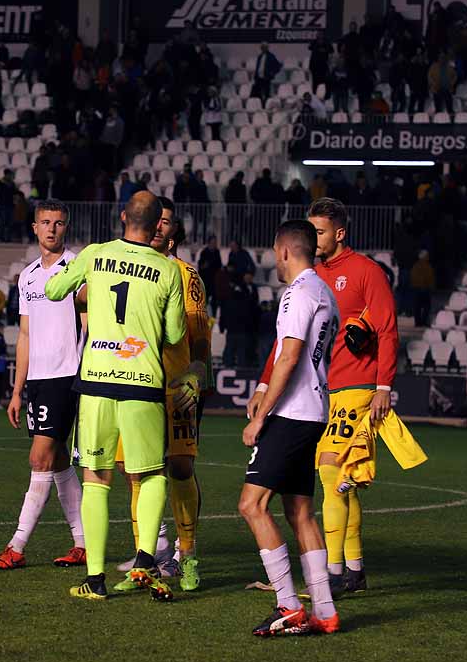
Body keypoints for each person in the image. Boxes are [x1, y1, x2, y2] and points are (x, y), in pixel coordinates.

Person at [250, 198, 426, 595]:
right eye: (310, 233)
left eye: (322, 232)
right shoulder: (310, 277)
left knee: (332, 474)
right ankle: (352, 570)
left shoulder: (366, 272)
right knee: (337, 480)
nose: (314, 239)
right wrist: (263, 385)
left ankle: (332, 573)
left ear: (340, 233)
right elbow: (286, 341)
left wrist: (383, 387)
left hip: (358, 387)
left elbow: (386, 329)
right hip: (323, 392)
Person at [44, 191, 190, 602]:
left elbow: (55, 291)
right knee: (151, 474)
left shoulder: (95, 253)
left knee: (96, 477)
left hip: (96, 382)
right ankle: (146, 560)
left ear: (123, 216)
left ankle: (95, 579)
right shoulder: (166, 270)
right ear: (156, 222)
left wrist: (87, 285)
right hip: (142, 383)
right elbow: (176, 335)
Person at [238, 220, 340, 637]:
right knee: (300, 512)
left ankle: (289, 604)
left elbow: (290, 355)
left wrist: (262, 416)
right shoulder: (323, 290)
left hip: (292, 414)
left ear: (284, 250)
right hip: (313, 410)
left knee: (251, 505)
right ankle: (326, 612)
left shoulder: (297, 293)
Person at [110, 200, 211, 593]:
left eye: (165, 222)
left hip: (174, 387)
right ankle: (149, 554)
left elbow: (200, 334)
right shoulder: (128, 268)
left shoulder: (185, 275)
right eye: (154, 220)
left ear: (173, 232)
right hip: (132, 383)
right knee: (134, 471)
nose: (157, 227)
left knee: (180, 467)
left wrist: (197, 373)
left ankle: (187, 556)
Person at [0, 200, 87, 571]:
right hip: (38, 381)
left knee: (39, 458)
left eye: (59, 223)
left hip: (66, 376)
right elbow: (25, 334)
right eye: (46, 222)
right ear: (34, 227)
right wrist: (16, 389)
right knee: (58, 460)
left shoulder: (77, 268)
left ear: (66, 227)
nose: (52, 229)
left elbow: (89, 325)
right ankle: (84, 543)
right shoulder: (26, 276)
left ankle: (16, 546)